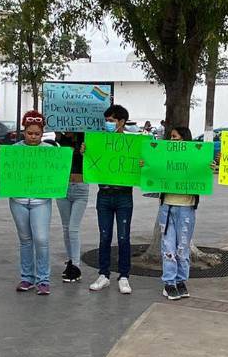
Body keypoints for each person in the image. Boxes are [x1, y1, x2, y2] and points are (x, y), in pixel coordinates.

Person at [7, 112, 55, 294]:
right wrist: (0, 157)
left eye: (37, 133)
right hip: (18, 200)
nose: (33, 137)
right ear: (24, 132)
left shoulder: (50, 151)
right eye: (29, 133)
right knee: (25, 240)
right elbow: (2, 171)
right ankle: (27, 278)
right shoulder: (14, 150)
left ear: (42, 134)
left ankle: (43, 279)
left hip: (41, 201)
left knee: (41, 239)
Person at [89, 105, 134, 294]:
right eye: (106, 120)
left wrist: (141, 163)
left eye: (112, 120)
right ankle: (103, 275)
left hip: (124, 196)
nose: (108, 124)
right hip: (104, 195)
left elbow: (143, 164)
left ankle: (124, 276)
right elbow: (91, 162)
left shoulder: (133, 142)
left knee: (123, 237)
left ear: (122, 122)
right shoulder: (98, 141)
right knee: (104, 236)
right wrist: (86, 151)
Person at [158, 127, 200, 300]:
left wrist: (209, 167)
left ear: (184, 139)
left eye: (175, 136)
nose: (172, 140)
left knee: (183, 247)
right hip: (167, 207)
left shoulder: (195, 158)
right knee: (168, 247)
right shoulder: (165, 156)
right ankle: (169, 283)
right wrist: (147, 166)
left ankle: (181, 280)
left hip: (187, 207)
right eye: (171, 137)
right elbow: (154, 169)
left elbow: (202, 174)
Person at [54, 131, 87, 283]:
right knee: (66, 227)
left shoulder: (86, 139)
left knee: (73, 228)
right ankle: (70, 261)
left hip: (80, 187)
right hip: (63, 186)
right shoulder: (60, 139)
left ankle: (76, 266)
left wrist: (84, 151)